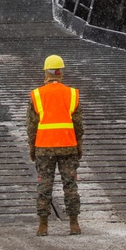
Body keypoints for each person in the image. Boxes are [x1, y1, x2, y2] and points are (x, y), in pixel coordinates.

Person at [27, 54, 83, 236]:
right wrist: (79, 145)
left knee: (45, 185)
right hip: (68, 146)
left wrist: (32, 147)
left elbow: (31, 125)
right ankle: (74, 223)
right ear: (61, 73)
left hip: (44, 148)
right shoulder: (72, 94)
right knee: (70, 184)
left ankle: (43, 225)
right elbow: (78, 125)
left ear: (46, 72)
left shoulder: (37, 95)